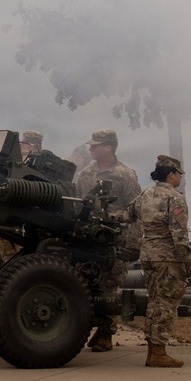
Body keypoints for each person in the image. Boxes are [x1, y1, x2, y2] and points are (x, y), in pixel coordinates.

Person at [75, 129, 141, 352]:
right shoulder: (85, 174)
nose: (90, 149)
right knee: (87, 283)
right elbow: (78, 205)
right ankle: (93, 327)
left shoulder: (125, 175)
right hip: (89, 239)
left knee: (110, 286)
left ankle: (106, 334)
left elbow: (136, 210)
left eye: (95, 145)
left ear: (109, 148)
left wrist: (133, 244)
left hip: (117, 240)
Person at [123, 155, 191, 368]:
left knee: (155, 301)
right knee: (167, 303)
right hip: (168, 258)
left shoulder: (146, 194)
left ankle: (153, 350)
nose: (180, 177)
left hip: (148, 256)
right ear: (171, 174)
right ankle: (159, 351)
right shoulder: (175, 198)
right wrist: (187, 263)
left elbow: (127, 215)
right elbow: (178, 234)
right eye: (178, 174)